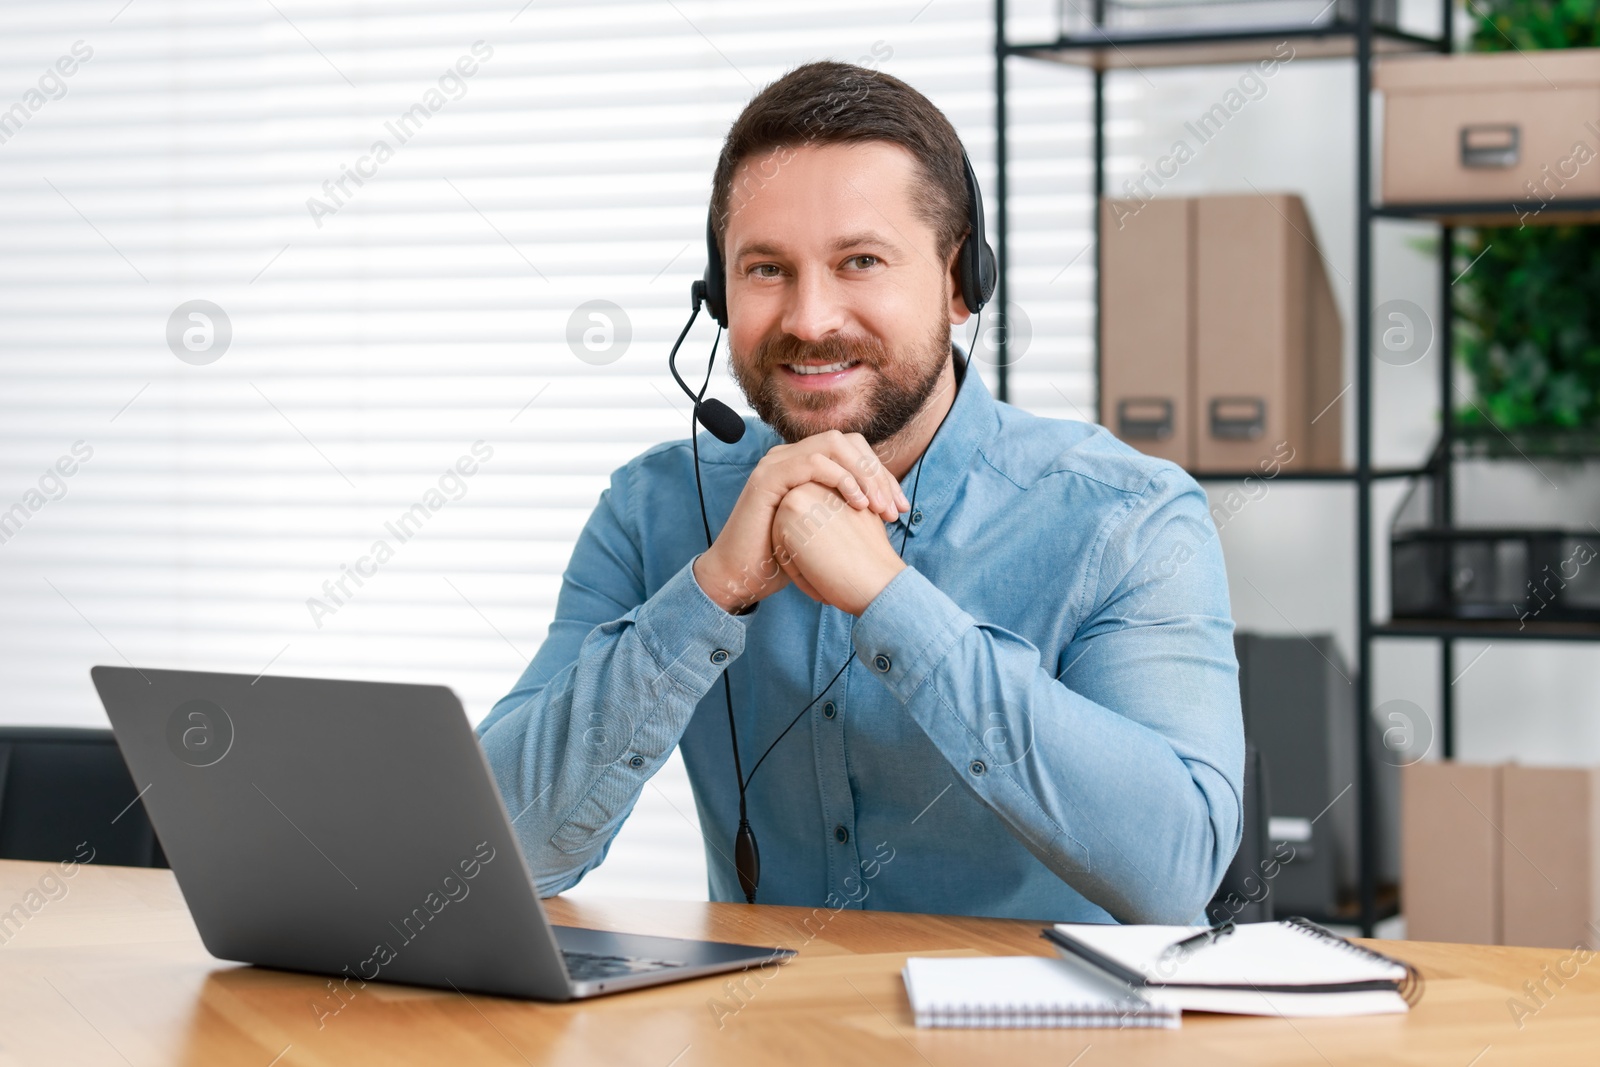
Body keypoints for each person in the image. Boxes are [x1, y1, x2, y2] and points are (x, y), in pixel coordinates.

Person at [477, 60, 1243, 923]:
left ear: (961, 283)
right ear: (717, 294)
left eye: (861, 261)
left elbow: (1178, 871)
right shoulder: (653, 508)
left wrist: (891, 600)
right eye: (766, 269)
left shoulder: (1129, 518)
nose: (809, 319)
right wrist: (710, 594)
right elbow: (491, 853)